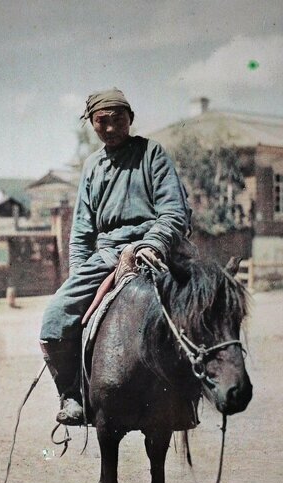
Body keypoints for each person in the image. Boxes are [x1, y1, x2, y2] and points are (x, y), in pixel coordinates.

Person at [39, 88, 193, 425]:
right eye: (102, 121)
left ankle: (188, 397)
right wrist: (79, 278)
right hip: (107, 256)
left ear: (130, 119)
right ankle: (73, 395)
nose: (110, 127)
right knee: (54, 317)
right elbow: (81, 231)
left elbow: (173, 212)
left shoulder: (152, 154)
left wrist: (152, 244)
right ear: (92, 125)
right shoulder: (92, 166)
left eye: (118, 119)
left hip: (155, 250)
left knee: (198, 310)